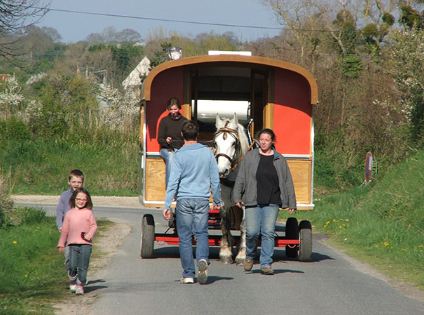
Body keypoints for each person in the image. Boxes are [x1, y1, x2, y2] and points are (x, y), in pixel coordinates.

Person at [162, 120, 222, 285]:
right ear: (197, 135)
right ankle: (202, 258)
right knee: (201, 233)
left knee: (185, 237)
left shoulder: (179, 155)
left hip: (184, 199)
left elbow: (173, 181)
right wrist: (217, 199)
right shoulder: (207, 153)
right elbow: (215, 180)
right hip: (202, 199)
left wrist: (167, 204)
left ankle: (188, 274)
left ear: (182, 135)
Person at [232, 128, 296, 275]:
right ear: (258, 141)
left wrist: (291, 202)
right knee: (252, 232)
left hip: (272, 201)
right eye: (261, 140)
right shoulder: (250, 157)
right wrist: (237, 196)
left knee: (268, 232)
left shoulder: (280, 159)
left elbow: (287, 181)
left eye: (267, 140)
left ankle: (266, 263)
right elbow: (241, 177)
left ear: (272, 141)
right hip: (252, 201)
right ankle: (249, 255)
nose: (264, 142)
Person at [57, 188, 97, 295]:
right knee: (72, 266)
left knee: (83, 266)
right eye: (78, 199)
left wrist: (88, 236)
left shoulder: (89, 213)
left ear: (87, 201)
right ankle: (73, 280)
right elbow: (65, 230)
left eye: (84, 199)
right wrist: (61, 243)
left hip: (85, 244)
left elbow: (94, 226)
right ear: (74, 199)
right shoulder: (69, 214)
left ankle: (80, 284)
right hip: (72, 244)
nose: (81, 201)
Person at [55, 169, 85, 271]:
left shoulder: (85, 196)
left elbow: (89, 212)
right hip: (67, 231)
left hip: (81, 232)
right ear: (69, 182)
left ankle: (80, 277)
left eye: (79, 182)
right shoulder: (64, 196)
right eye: (74, 182)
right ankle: (72, 274)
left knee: (80, 257)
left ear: (82, 183)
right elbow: (59, 212)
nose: (76, 184)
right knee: (68, 256)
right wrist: (60, 225)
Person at [158, 97, 188, 187]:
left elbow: (188, 139)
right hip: (166, 149)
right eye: (171, 109)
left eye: (175, 109)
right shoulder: (164, 121)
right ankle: (170, 188)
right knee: (171, 157)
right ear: (168, 109)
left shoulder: (185, 121)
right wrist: (166, 141)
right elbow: (160, 139)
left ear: (179, 109)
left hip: (180, 149)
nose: (173, 111)